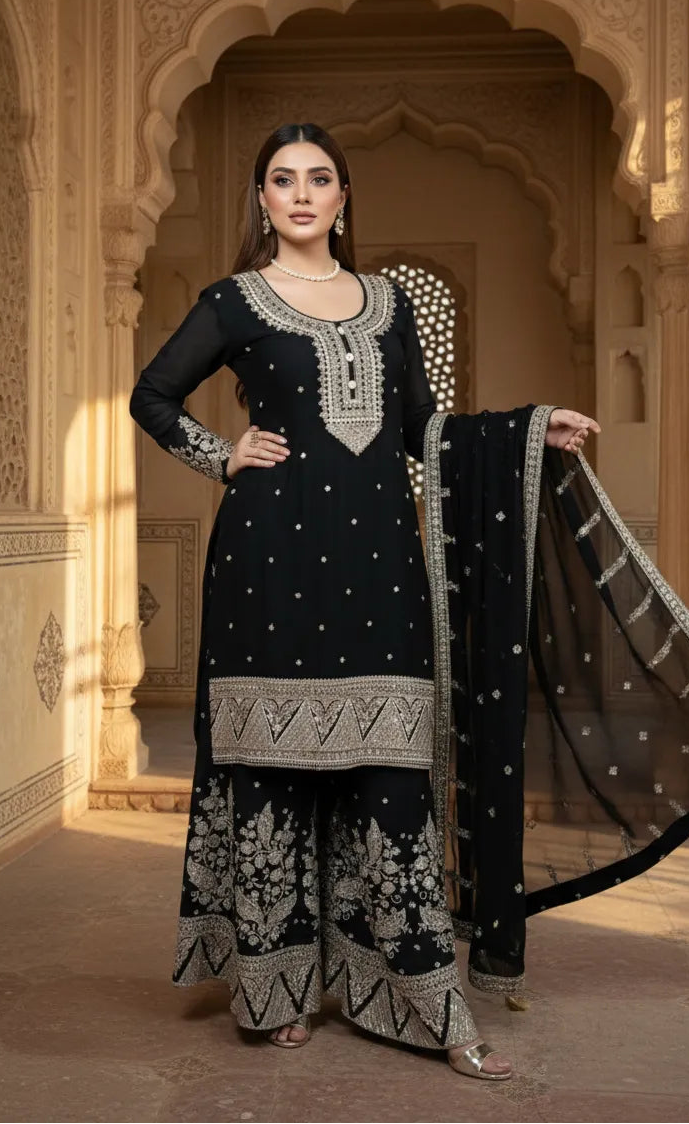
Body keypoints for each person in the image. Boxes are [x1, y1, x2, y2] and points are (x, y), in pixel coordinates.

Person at [130, 121, 599, 1080]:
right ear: (260, 200)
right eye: (280, 179)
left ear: (344, 197)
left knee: (389, 773)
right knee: (272, 766)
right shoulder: (235, 301)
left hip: (380, 563)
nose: (301, 194)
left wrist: (528, 427)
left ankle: (424, 987)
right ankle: (275, 984)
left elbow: (426, 429)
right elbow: (152, 394)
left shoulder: (387, 306)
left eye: (320, 179)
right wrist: (224, 456)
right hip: (266, 559)